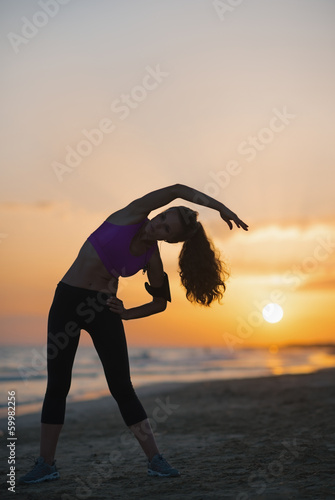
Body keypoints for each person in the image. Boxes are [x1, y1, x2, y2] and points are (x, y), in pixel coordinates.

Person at [19, 183, 248, 484]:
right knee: (58, 383)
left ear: (171, 239)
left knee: (122, 387)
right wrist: (219, 207)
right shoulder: (133, 213)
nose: (159, 225)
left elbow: (160, 303)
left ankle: (155, 460)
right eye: (163, 218)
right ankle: (46, 464)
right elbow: (178, 189)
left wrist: (126, 313)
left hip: (104, 309)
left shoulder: (152, 258)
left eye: (167, 230)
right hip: (67, 302)